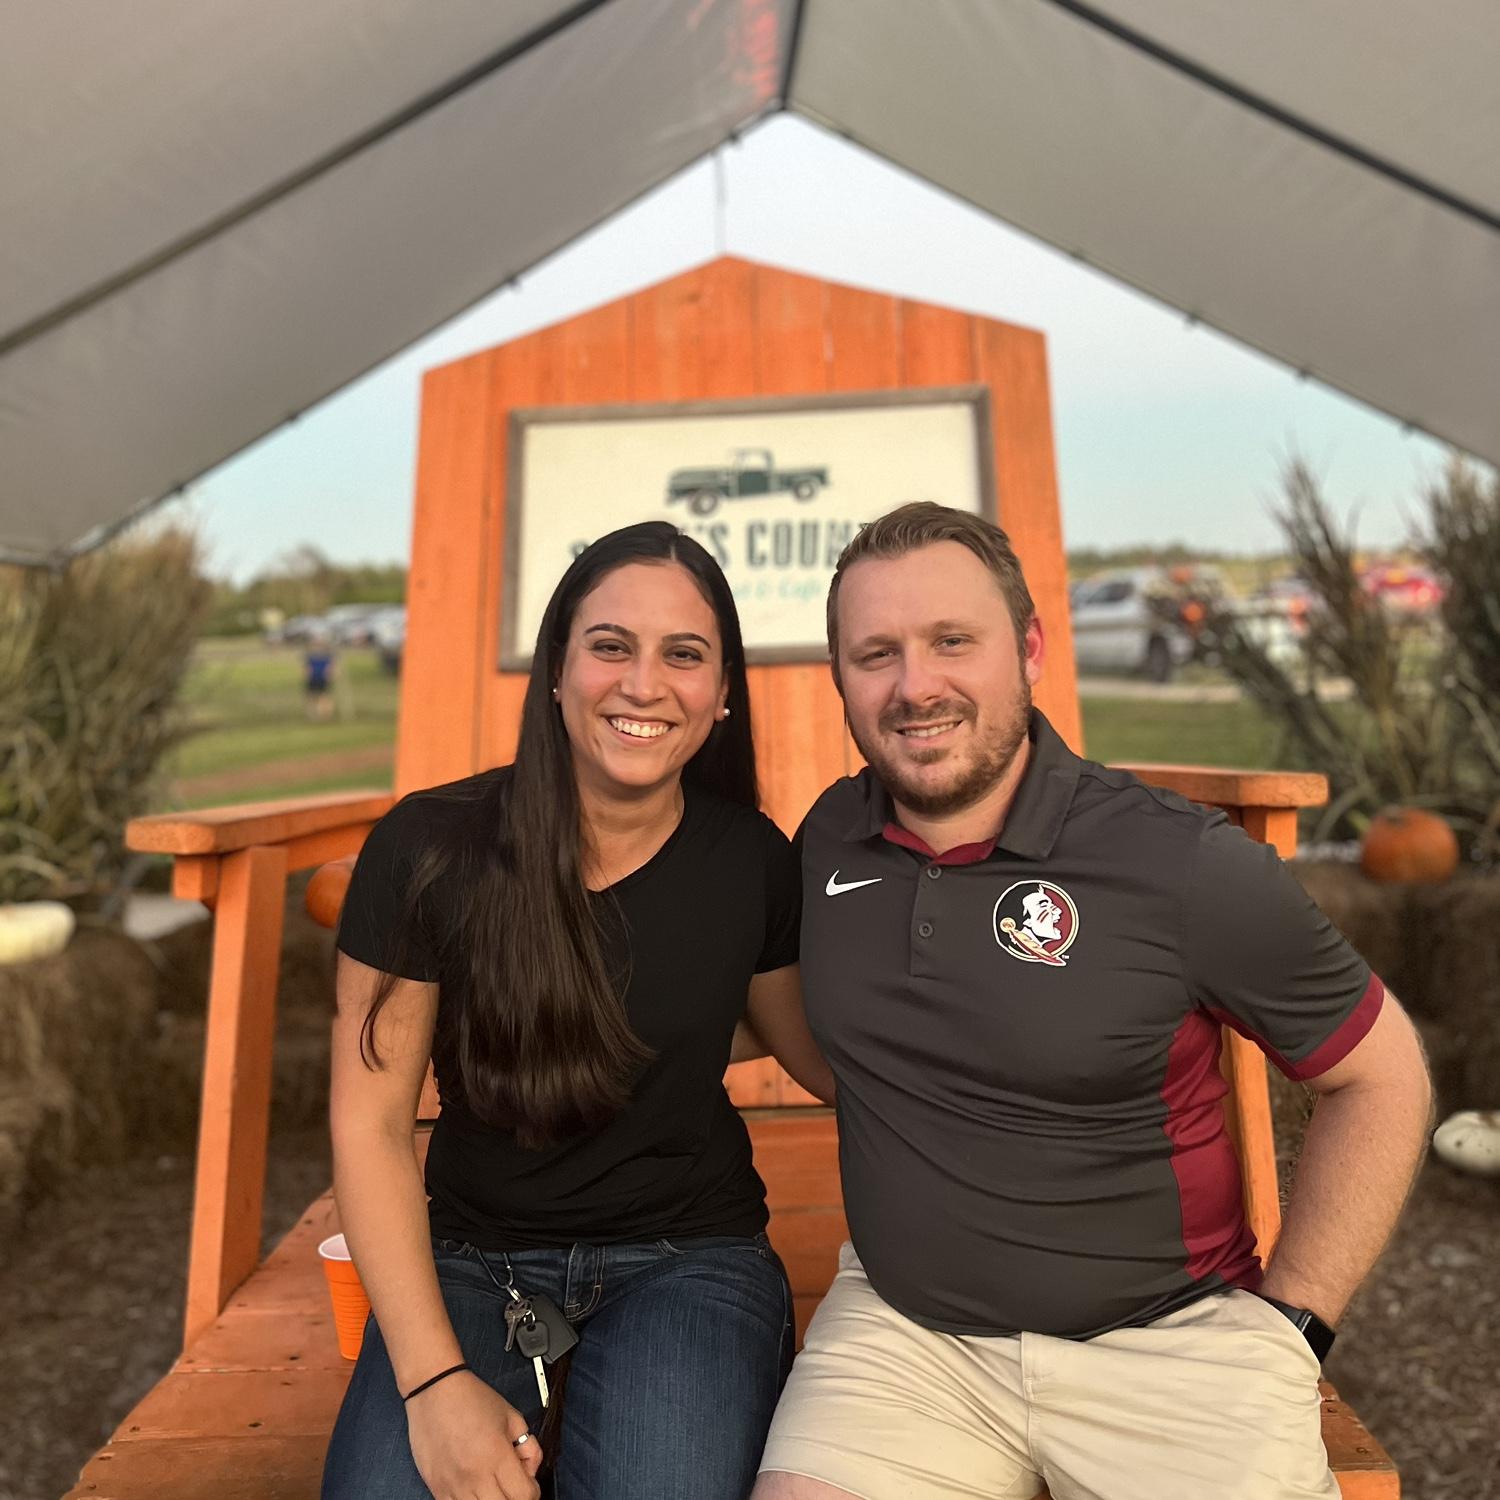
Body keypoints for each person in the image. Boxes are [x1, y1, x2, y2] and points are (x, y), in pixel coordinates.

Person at [755, 503, 1432, 1500]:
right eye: (876, 654)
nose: (915, 685)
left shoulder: (1179, 862)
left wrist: (1295, 1323)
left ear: (1029, 649)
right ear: (840, 677)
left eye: (952, 641)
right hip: (908, 1339)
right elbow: (814, 1030)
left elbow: (1383, 1075)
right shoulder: (830, 840)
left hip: (1170, 1346)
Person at [322, 521, 835, 1500]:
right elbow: (370, 1126)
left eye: (683, 654)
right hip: (471, 1256)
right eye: (610, 646)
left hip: (688, 1256)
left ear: (723, 692)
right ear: (556, 671)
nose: (644, 684)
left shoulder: (749, 861)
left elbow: (823, 1057)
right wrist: (432, 1384)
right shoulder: (427, 849)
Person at [305, 633, 337, 721]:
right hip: (313, 679)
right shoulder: (310, 656)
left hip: (323, 679)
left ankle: (325, 714)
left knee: (324, 697)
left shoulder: (327, 655)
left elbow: (331, 667)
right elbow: (307, 668)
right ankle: (313, 714)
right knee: (312, 696)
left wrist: (331, 674)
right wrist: (307, 675)